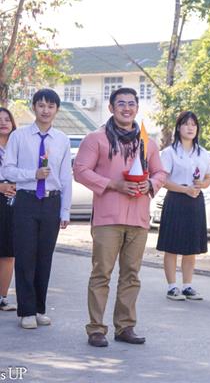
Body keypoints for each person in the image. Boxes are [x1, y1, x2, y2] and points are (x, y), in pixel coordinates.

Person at [74, 88, 167, 347]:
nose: (127, 108)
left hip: (138, 218)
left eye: (131, 104)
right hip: (108, 218)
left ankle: (125, 327)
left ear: (137, 108)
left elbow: (161, 173)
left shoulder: (147, 141)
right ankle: (96, 329)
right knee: (101, 273)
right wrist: (112, 185)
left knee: (131, 275)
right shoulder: (96, 139)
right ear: (111, 108)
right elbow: (80, 170)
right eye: (121, 103)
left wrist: (150, 184)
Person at [2, 89, 72, 329]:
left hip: (51, 202)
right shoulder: (19, 136)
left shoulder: (62, 139)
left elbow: (66, 177)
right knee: (25, 256)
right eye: (41, 105)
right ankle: (26, 311)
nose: (45, 110)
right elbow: (8, 170)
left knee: (44, 257)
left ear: (56, 110)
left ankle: (40, 308)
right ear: (34, 107)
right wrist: (32, 174)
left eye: (50, 106)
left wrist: (65, 211)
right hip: (26, 200)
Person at [158, 111, 210, 300]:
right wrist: (184, 190)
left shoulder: (202, 152)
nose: (190, 128)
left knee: (191, 246)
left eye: (194, 124)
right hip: (176, 199)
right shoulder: (169, 152)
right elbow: (162, 180)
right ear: (178, 127)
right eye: (186, 124)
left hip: (195, 201)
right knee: (172, 245)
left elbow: (208, 177)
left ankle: (188, 286)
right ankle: (172, 286)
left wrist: (201, 185)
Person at [0, 107, 17, 312]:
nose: (3, 122)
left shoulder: (18, 146)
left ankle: (2, 297)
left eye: (7, 119)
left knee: (8, 252)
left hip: (13, 202)